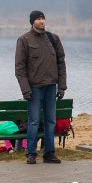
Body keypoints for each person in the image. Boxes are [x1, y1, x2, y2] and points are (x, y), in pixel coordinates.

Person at [15, 10, 67, 165]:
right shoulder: (24, 40)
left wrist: (62, 87)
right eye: (38, 19)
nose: (41, 21)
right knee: (34, 122)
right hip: (34, 88)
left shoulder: (53, 38)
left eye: (43, 18)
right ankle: (31, 154)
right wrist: (26, 90)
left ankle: (49, 154)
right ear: (32, 22)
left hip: (52, 87)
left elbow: (61, 63)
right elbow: (20, 68)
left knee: (51, 121)